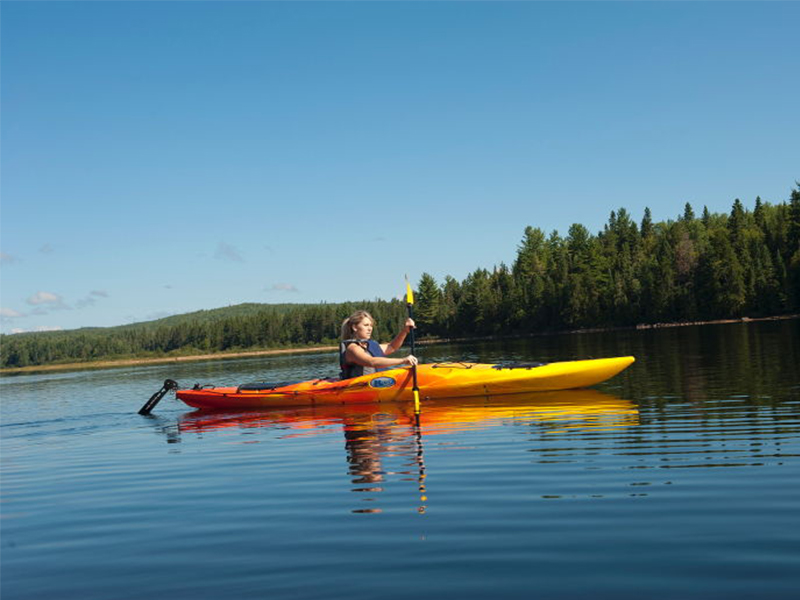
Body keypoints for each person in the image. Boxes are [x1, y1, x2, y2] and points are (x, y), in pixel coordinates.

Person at [339, 310, 418, 379]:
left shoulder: (370, 345)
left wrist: (405, 331)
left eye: (371, 325)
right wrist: (403, 360)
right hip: (362, 388)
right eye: (366, 325)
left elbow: (392, 347)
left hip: (379, 384)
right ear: (354, 327)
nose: (370, 329)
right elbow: (372, 362)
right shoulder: (352, 348)